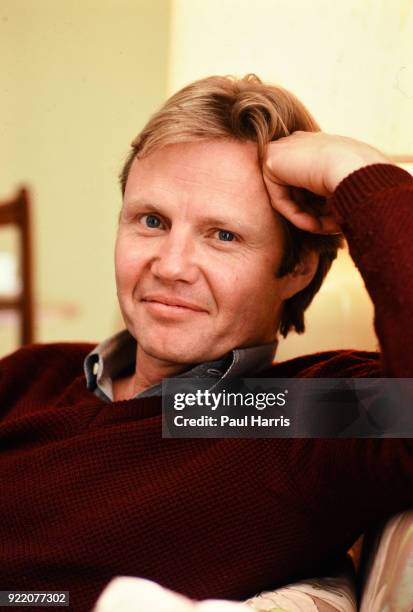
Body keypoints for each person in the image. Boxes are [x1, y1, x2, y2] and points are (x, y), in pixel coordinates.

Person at [0, 74, 412, 612]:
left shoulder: (301, 413)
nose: (170, 266)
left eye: (223, 235)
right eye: (151, 221)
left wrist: (354, 172)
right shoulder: (34, 374)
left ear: (297, 269)